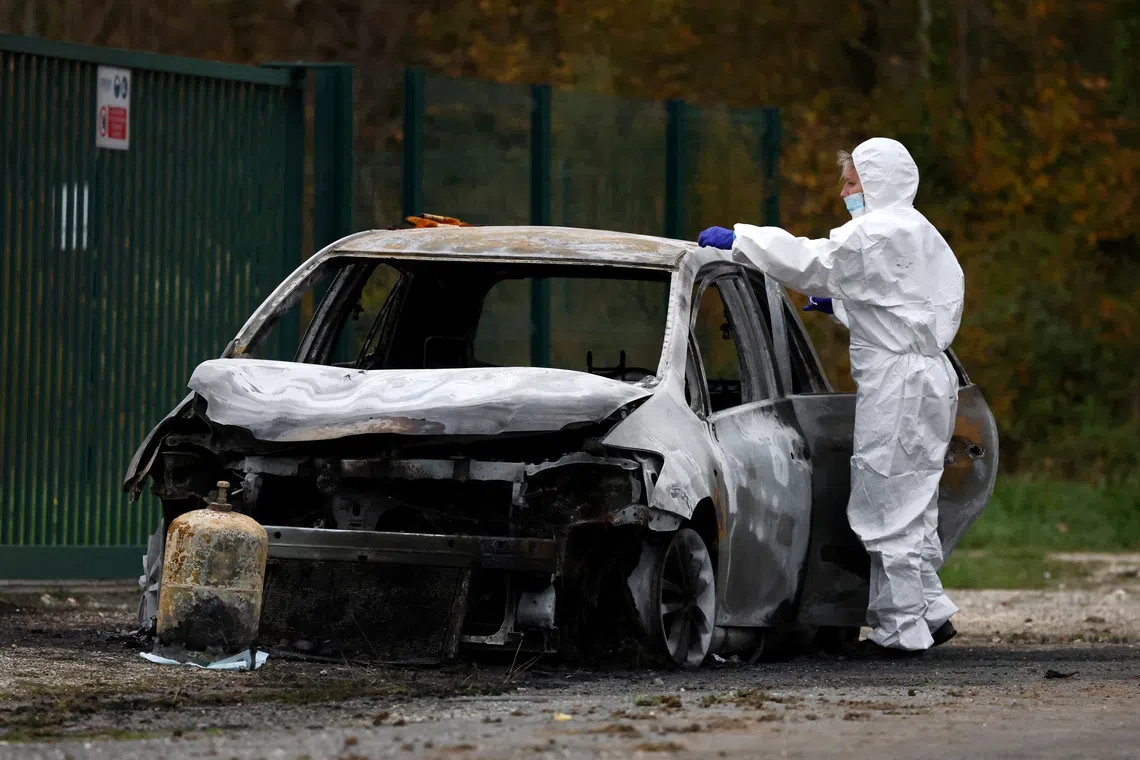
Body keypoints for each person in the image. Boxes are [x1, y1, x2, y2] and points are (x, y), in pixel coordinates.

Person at [696, 137, 964, 658]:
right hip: (927, 378)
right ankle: (927, 609)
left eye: (851, 182)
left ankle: (902, 631)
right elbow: (896, 301)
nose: (844, 193)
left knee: (888, 499)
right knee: (913, 496)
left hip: (901, 384)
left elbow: (814, 260)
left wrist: (741, 241)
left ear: (878, 181)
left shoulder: (879, 231)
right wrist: (840, 305)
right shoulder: (917, 231)